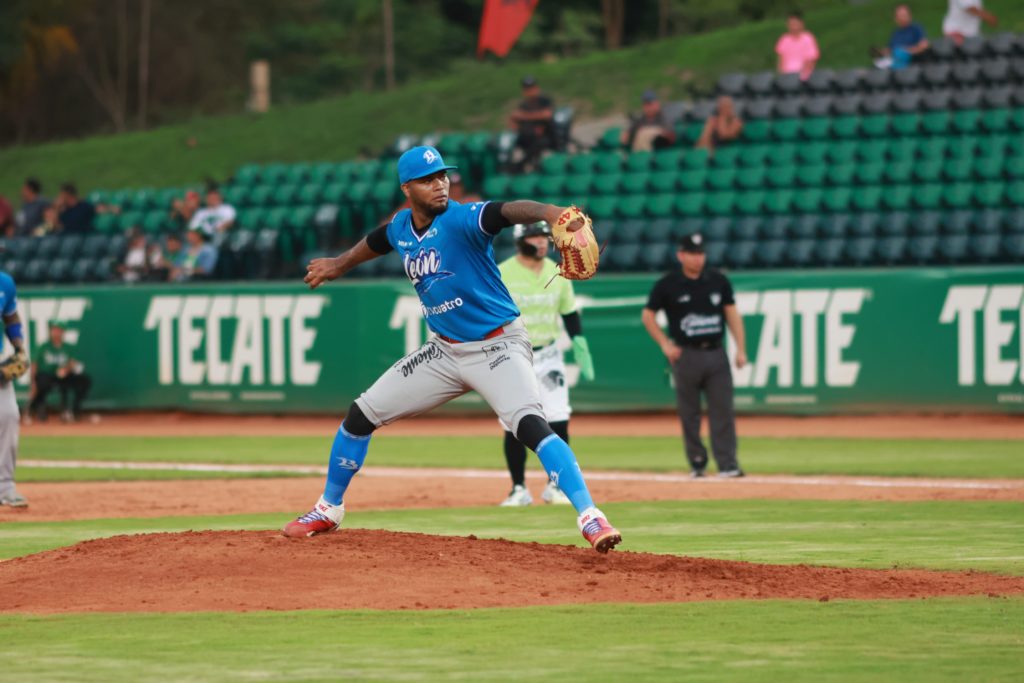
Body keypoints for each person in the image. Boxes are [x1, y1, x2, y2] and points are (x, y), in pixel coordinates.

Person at [284, 146, 621, 553]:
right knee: (360, 415)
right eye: (428, 179)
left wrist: (550, 213)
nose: (440, 184)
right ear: (408, 188)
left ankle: (590, 515)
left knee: (530, 424)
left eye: (443, 176)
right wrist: (339, 264)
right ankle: (328, 508)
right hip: (443, 353)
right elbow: (378, 241)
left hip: (498, 345)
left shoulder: (463, 218)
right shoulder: (400, 228)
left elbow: (507, 210)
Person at [496, 221, 595, 507]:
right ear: (520, 240)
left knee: (559, 417)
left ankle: (556, 486)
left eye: (543, 237)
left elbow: (569, 312)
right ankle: (518, 489)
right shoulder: (502, 272)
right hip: (514, 355)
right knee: (513, 423)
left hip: (549, 354)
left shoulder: (557, 270)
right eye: (534, 236)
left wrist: (580, 343)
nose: (541, 242)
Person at [641, 233, 748, 479]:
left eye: (701, 253)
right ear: (681, 255)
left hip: (715, 352)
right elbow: (648, 315)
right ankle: (697, 462)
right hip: (686, 354)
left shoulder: (718, 280)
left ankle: (728, 463)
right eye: (692, 253)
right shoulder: (668, 283)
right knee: (689, 413)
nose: (698, 258)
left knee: (723, 410)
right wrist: (665, 344)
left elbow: (732, 315)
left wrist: (741, 348)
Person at [0, 267, 29, 507]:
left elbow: (11, 317)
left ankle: (5, 488)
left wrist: (19, 347)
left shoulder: (5, 283)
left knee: (9, 416)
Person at [28, 321, 92, 423]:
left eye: (59, 330)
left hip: (63, 375)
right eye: (54, 330)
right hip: (47, 375)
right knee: (42, 382)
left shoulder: (68, 347)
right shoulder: (44, 346)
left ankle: (73, 409)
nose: (56, 333)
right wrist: (33, 383)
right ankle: (39, 407)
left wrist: (66, 369)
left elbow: (73, 362)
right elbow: (34, 364)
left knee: (83, 380)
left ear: (63, 332)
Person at [508, 76, 555, 172]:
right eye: (527, 89)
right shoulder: (524, 105)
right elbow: (515, 120)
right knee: (509, 142)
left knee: (538, 143)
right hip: (526, 135)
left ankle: (519, 166)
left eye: (531, 88)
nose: (530, 91)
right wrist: (513, 122)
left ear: (537, 88)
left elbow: (547, 115)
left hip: (544, 135)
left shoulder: (544, 101)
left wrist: (524, 116)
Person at [876, 4, 929, 70]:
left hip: (912, 63)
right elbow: (890, 49)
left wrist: (906, 51)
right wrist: (882, 52)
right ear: (896, 19)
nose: (903, 18)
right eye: (900, 16)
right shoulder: (895, 34)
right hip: (894, 61)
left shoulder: (917, 28)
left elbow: (924, 46)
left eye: (904, 15)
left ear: (910, 16)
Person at [775, 11, 819, 80]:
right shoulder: (784, 39)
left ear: (801, 24)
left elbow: (811, 61)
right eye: (791, 24)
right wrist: (782, 76)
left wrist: (800, 75)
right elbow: (780, 60)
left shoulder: (808, 38)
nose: (793, 27)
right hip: (786, 77)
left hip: (804, 77)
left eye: (795, 24)